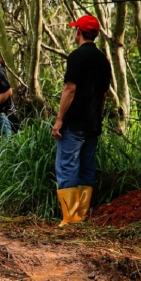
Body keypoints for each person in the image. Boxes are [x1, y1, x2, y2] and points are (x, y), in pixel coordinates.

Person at [51, 14, 112, 226]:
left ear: (78, 32)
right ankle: (82, 215)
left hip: (75, 122)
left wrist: (59, 120)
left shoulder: (77, 56)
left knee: (67, 166)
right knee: (86, 166)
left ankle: (70, 218)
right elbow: (103, 95)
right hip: (93, 124)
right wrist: (97, 118)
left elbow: (70, 88)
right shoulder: (104, 60)